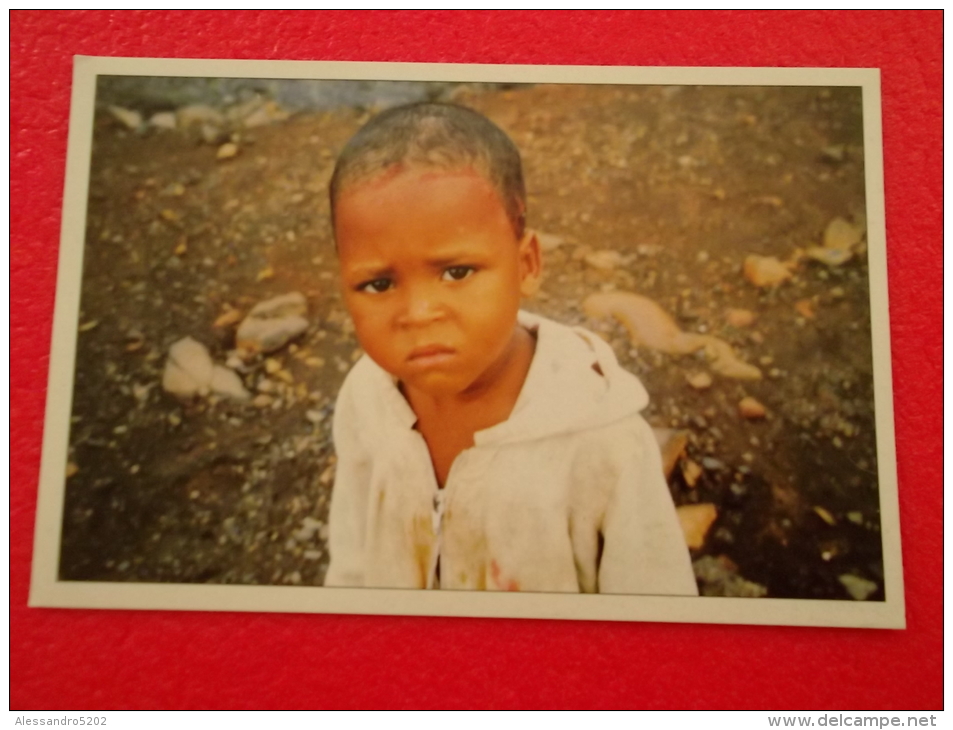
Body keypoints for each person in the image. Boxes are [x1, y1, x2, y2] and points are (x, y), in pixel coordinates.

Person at [323, 102, 697, 595]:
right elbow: (352, 553)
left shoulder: (603, 441)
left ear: (527, 264)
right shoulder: (367, 398)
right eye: (377, 284)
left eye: (456, 272)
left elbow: (657, 605)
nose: (417, 313)